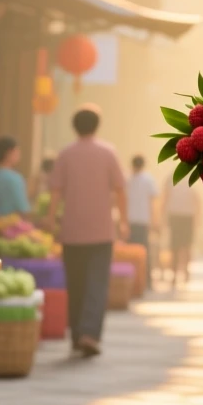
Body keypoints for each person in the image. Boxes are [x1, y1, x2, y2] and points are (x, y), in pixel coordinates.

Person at [48, 107, 127, 357]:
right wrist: (123, 221)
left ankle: (76, 336)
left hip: (72, 230)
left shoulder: (65, 154)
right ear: (97, 125)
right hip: (102, 231)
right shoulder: (108, 152)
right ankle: (89, 334)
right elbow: (120, 189)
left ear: (75, 126)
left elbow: (56, 191)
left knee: (77, 284)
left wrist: (51, 219)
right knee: (97, 284)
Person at [126, 155, 159, 290]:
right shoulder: (149, 180)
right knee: (145, 252)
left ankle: (133, 281)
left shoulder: (127, 180)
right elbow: (154, 202)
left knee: (130, 253)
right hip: (144, 221)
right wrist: (155, 221)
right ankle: (147, 282)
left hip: (130, 221)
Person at [165, 177, 199, 290]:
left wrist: (197, 219)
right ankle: (175, 275)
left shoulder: (192, 178)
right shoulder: (171, 178)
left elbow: (197, 200)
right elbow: (166, 197)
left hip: (186, 216)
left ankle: (185, 272)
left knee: (185, 247)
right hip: (176, 216)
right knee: (176, 247)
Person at [0, 136, 31, 218]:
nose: (19, 155)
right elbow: (22, 208)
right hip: (11, 224)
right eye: (17, 151)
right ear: (9, 153)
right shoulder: (15, 178)